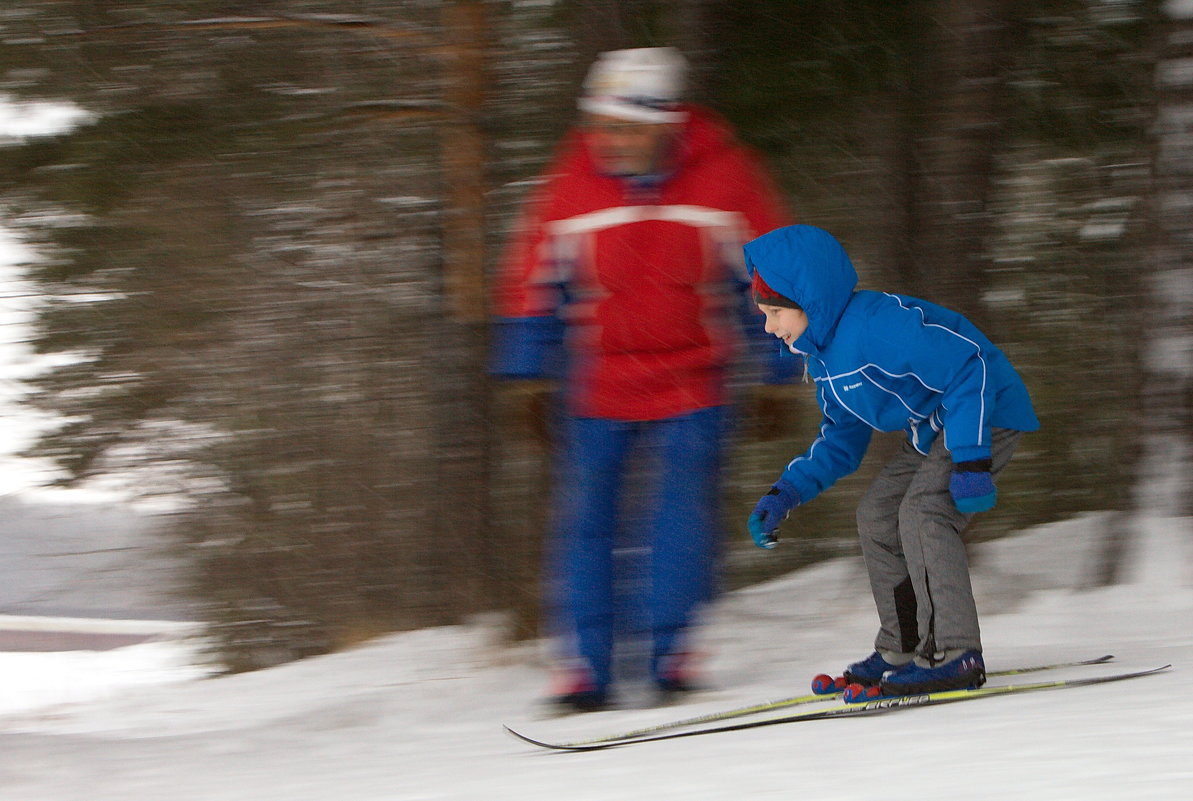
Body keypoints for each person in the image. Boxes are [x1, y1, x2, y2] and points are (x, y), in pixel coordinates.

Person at [491, 47, 798, 711]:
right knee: (586, 520)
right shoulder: (572, 181)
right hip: (596, 381)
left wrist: (778, 371)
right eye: (598, 126)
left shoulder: (722, 176)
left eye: (624, 128)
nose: (607, 141)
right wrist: (525, 375)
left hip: (694, 379)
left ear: (665, 123)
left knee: (681, 513)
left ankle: (668, 651)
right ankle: (585, 666)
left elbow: (772, 274)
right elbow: (530, 277)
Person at [744, 224, 1039, 695]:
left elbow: (970, 367)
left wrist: (969, 461)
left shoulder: (876, 327)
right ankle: (904, 644)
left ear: (810, 300)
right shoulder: (823, 360)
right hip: (934, 429)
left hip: (985, 412)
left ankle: (956, 652)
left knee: (923, 512)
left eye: (776, 312)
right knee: (878, 516)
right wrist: (787, 492)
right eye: (764, 313)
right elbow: (841, 440)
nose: (769, 326)